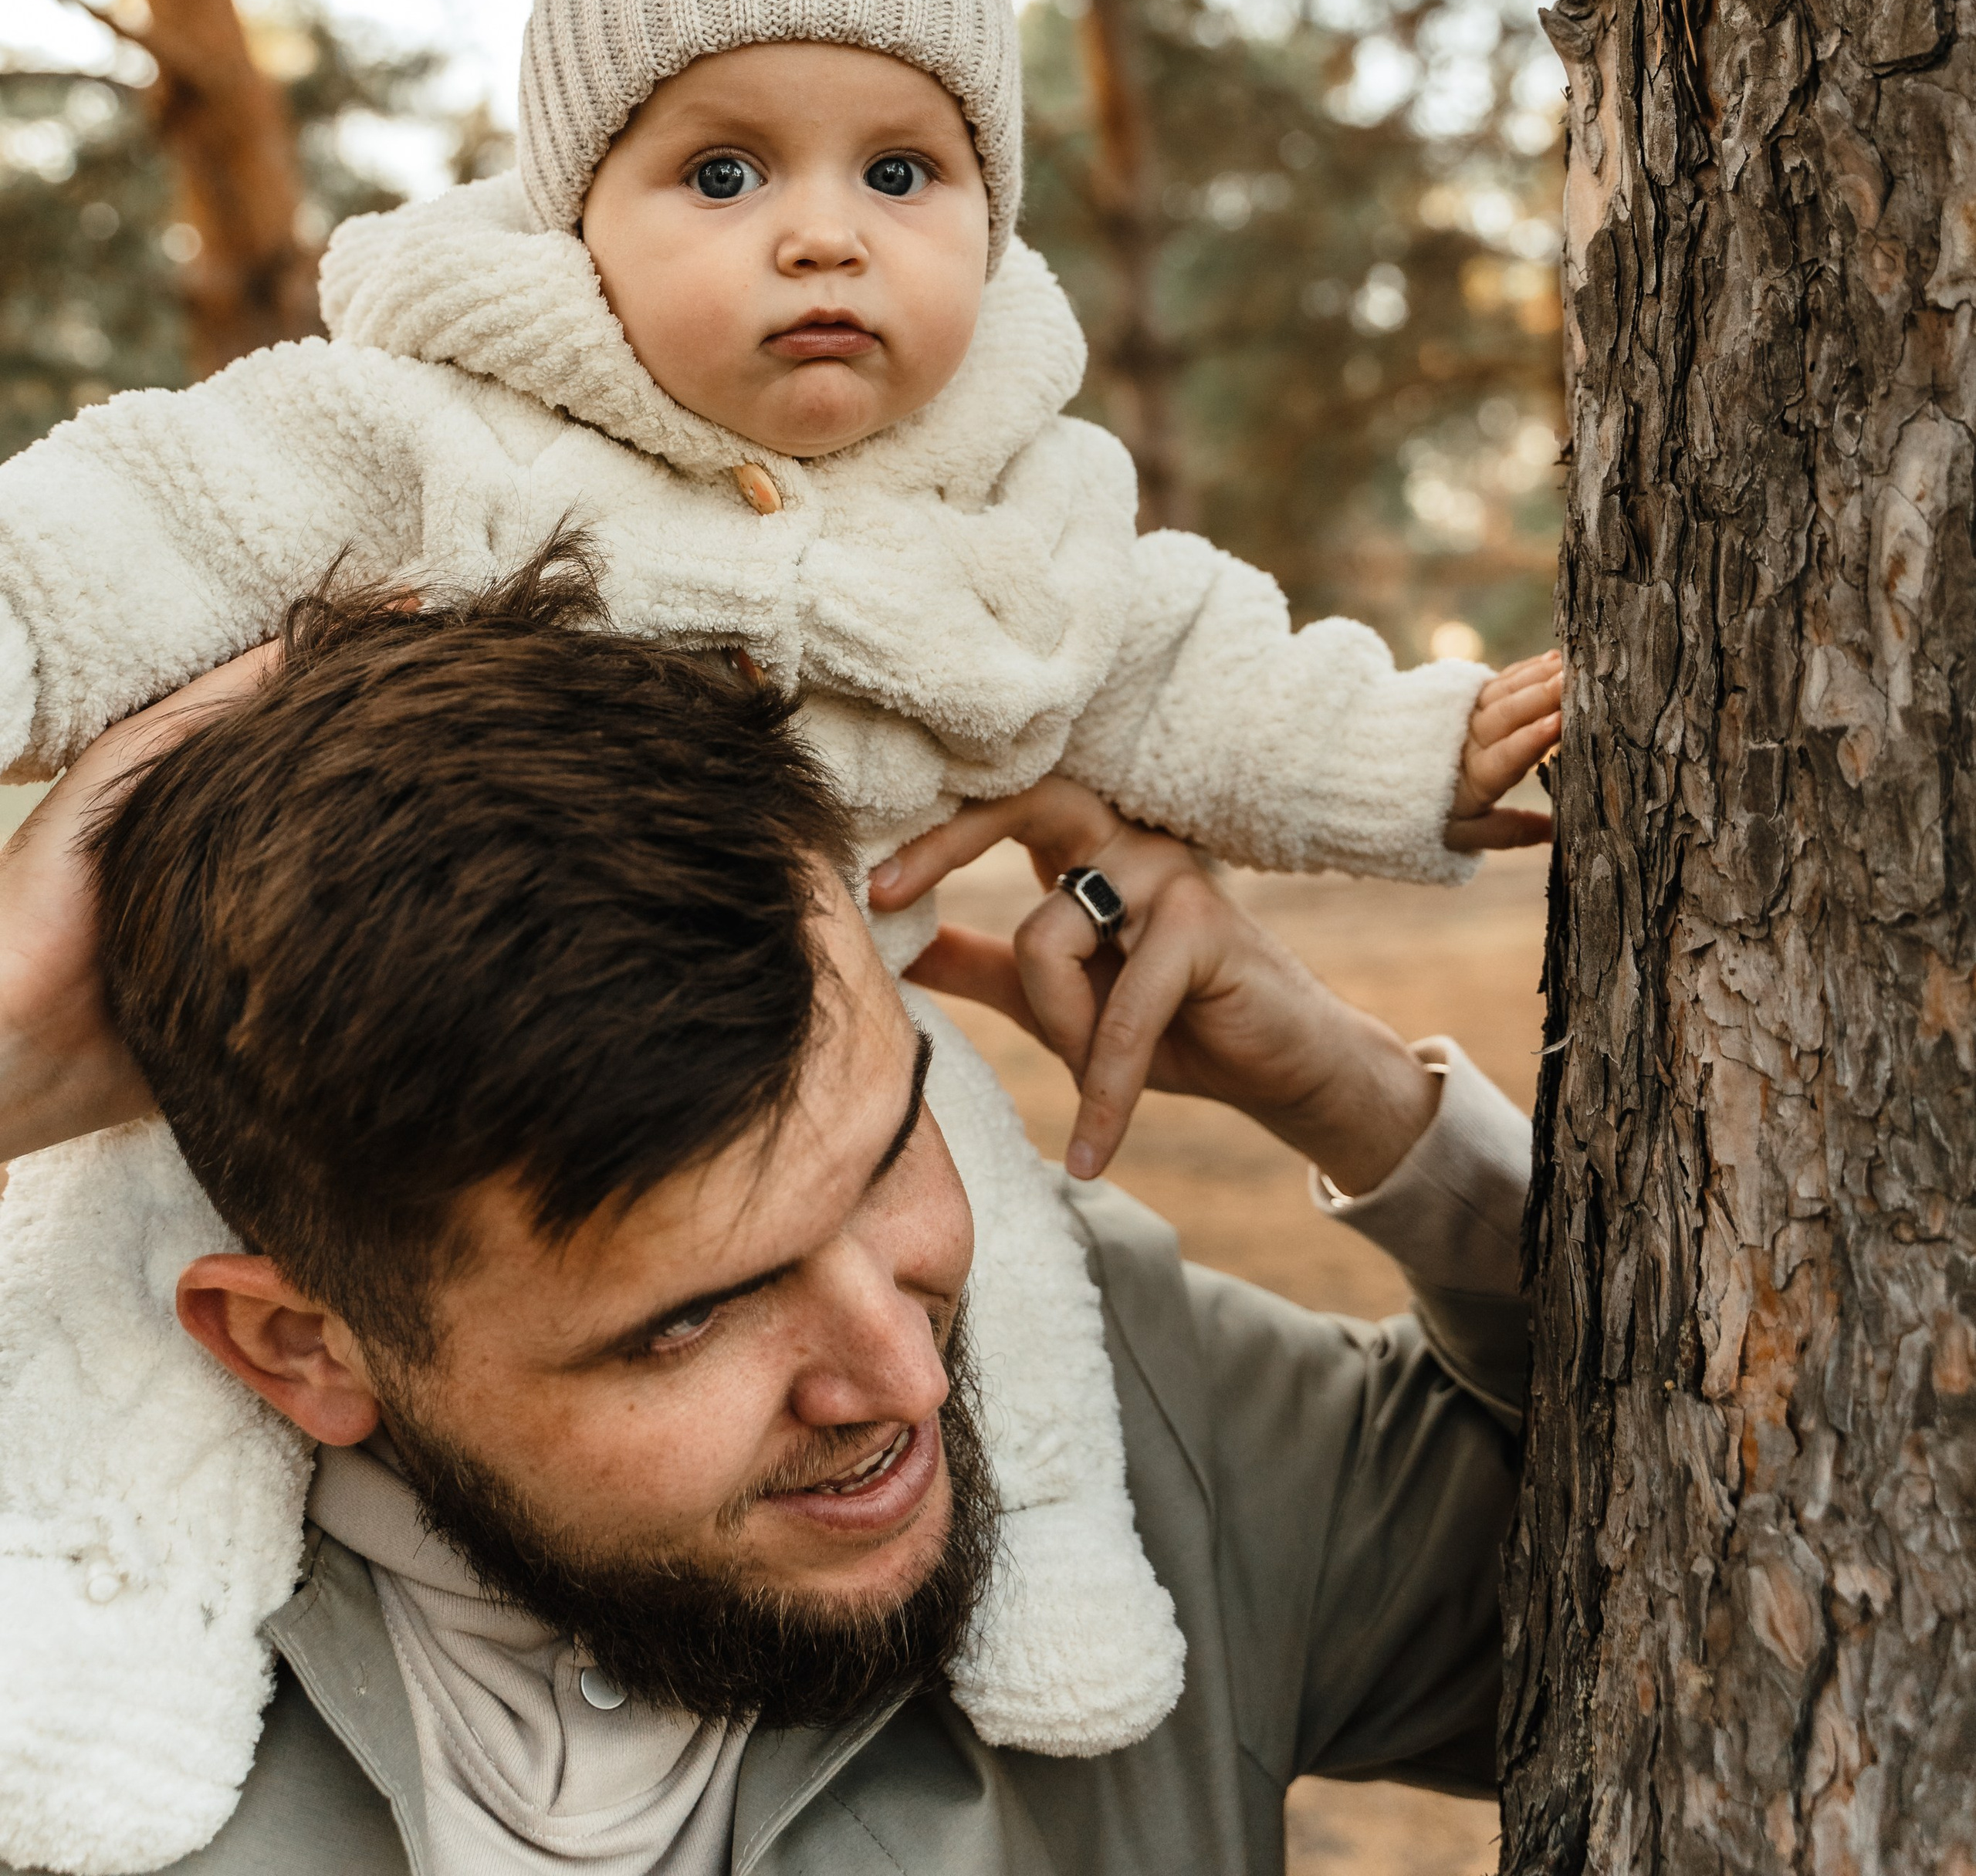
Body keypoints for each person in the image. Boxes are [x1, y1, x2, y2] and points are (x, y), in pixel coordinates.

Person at [0, 0, 1558, 1763]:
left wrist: (1410, 795)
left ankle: (1061, 1634)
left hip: (879, 1018)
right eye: (722, 176)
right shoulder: (430, 433)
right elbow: (139, 520)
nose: (822, 230)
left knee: (1014, 1293)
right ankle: (102, 1715)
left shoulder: (1009, 512)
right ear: (576, 220)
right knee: (94, 1384)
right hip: (370, 1105)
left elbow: (1187, 662)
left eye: (902, 176)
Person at [0, 557, 1531, 1876]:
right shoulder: (61, 1649)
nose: (906, 1381)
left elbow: (1716, 1545)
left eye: (882, 1164)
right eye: (690, 1316)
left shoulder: (1123, 1411)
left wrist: (1355, 1101)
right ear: (295, 1346)